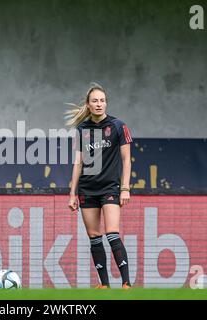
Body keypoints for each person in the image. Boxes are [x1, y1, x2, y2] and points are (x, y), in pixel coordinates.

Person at [66, 84, 133, 289]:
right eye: (95, 101)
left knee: (112, 233)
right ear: (88, 104)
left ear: (106, 103)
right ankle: (104, 285)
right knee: (94, 237)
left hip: (110, 188)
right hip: (87, 189)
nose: (99, 104)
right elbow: (78, 162)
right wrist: (72, 194)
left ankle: (126, 283)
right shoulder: (81, 130)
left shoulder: (118, 126)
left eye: (102, 100)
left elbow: (127, 159)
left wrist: (125, 188)